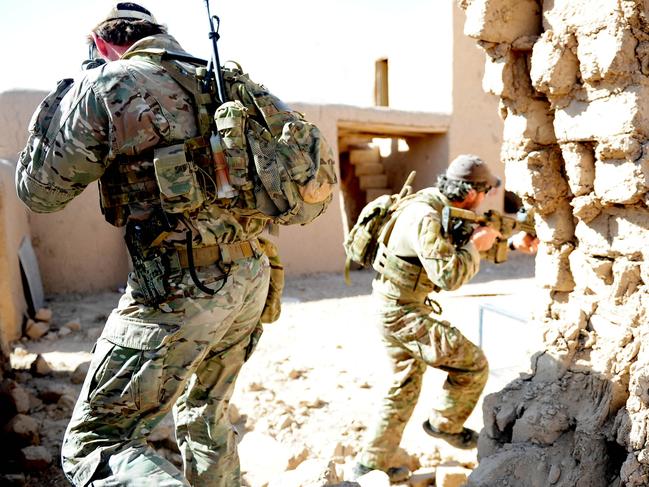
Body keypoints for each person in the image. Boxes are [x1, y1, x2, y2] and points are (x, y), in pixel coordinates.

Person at [16, 3, 333, 486]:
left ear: (102, 45)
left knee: (97, 443)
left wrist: (63, 103)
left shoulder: (110, 84)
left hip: (178, 288)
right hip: (252, 277)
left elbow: (38, 193)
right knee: (205, 415)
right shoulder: (228, 79)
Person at [351, 154, 534, 482]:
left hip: (393, 304)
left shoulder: (435, 206)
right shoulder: (425, 217)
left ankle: (370, 463)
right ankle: (444, 424)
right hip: (401, 312)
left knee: (403, 386)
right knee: (473, 364)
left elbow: (456, 244)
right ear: (470, 192)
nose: (483, 203)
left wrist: (512, 243)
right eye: (483, 194)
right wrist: (477, 248)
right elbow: (449, 274)